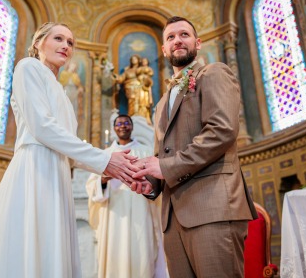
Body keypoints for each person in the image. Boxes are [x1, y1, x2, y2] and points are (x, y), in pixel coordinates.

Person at [0, 22, 150, 278]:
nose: (66, 46)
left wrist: (113, 166)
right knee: (30, 244)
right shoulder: (28, 67)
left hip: (59, 172)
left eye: (70, 43)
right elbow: (42, 127)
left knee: (51, 246)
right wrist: (104, 159)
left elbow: (67, 144)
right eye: (58, 38)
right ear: (38, 43)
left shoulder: (61, 93)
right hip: (35, 167)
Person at [133, 16, 257, 278]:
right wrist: (152, 183)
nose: (177, 40)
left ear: (197, 43)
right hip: (173, 219)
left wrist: (165, 167)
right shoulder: (161, 104)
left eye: (184, 35)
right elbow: (162, 155)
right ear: (164, 50)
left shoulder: (214, 73)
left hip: (213, 207)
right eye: (170, 37)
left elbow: (221, 131)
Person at [86, 114, 168, 278]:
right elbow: (91, 187)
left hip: (142, 214)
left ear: (132, 127)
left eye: (126, 123)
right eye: (119, 123)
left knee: (143, 256)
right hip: (114, 217)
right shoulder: (105, 155)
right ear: (114, 128)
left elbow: (159, 184)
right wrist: (103, 179)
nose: (123, 126)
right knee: (115, 259)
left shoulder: (146, 151)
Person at [136, 57, 154, 124]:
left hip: (146, 87)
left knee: (146, 102)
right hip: (140, 87)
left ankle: (147, 117)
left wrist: (145, 77)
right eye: (143, 61)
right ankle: (140, 116)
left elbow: (151, 73)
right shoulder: (140, 69)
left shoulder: (149, 69)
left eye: (145, 61)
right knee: (140, 101)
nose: (144, 62)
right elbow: (137, 72)